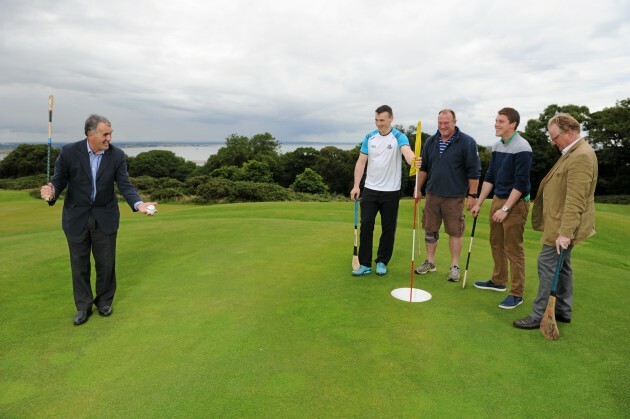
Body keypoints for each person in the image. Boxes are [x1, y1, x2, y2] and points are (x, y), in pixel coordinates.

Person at [40, 114, 157, 326]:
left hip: (106, 216)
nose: (109, 138)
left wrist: (139, 204)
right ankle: (83, 307)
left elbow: (125, 185)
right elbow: (58, 182)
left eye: (110, 134)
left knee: (105, 263)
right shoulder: (68, 152)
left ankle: (104, 301)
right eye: (105, 134)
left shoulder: (117, 155)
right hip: (76, 218)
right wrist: (51, 192)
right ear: (90, 134)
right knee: (79, 265)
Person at [514, 113, 598, 329]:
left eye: (555, 137)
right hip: (559, 223)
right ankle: (563, 310)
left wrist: (565, 233)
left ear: (569, 133)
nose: (552, 142)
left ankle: (539, 314)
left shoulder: (581, 156)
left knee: (547, 264)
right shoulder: (572, 151)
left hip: (563, 225)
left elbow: (575, 200)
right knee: (564, 266)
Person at [471, 108, 533, 309]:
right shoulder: (497, 146)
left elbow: (521, 183)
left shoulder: (522, 147)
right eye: (496, 120)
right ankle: (498, 281)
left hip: (515, 203)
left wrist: (505, 209)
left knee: (513, 248)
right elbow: (490, 177)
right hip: (498, 199)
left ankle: (517, 293)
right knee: (495, 242)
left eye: (501, 121)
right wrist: (479, 202)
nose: (496, 124)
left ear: (513, 124)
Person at [350, 105, 421, 276]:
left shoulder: (399, 136)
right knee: (366, 225)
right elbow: (361, 162)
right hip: (370, 189)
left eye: (382, 120)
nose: (378, 123)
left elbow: (406, 152)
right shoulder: (370, 137)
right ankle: (365, 264)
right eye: (376, 120)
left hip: (391, 191)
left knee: (388, 228)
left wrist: (414, 160)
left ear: (391, 118)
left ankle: (382, 261)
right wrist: (356, 185)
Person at [414, 109, 481, 282]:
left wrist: (472, 195)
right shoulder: (431, 141)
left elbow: (474, 172)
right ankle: (430, 262)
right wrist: (418, 188)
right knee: (430, 229)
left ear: (454, 121)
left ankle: (454, 266)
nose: (443, 126)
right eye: (440, 123)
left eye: (446, 123)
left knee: (455, 232)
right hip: (432, 194)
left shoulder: (467, 142)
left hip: (455, 196)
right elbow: (424, 168)